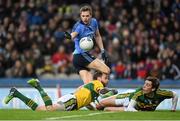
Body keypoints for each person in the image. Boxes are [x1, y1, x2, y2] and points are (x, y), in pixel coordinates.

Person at [4, 71, 116, 111]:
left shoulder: (91, 87)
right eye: (106, 78)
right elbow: (102, 91)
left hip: (71, 99)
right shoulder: (98, 83)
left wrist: (92, 109)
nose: (108, 80)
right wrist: (111, 91)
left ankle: (15, 93)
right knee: (49, 109)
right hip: (72, 101)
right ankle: (38, 86)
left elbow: (86, 102)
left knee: (39, 109)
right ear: (99, 78)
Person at [65, 5, 110, 84]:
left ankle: (72, 96)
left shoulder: (94, 22)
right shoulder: (78, 26)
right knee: (107, 70)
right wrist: (70, 36)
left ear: (91, 15)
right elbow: (73, 34)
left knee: (88, 85)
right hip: (81, 55)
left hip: (77, 58)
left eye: (87, 16)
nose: (85, 18)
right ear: (80, 16)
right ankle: (102, 90)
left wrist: (102, 50)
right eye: (83, 16)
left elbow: (97, 36)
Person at [97, 76, 178, 112]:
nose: (144, 86)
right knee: (100, 105)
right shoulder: (139, 92)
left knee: (107, 109)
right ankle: (110, 93)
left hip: (133, 107)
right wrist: (139, 112)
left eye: (147, 85)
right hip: (127, 99)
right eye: (145, 83)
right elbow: (130, 108)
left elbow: (175, 95)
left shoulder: (160, 93)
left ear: (153, 89)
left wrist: (173, 109)